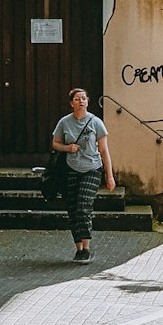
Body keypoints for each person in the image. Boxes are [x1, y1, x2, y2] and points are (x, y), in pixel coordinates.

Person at [51, 88, 116, 263]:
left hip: (92, 169)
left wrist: (109, 176)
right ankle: (78, 248)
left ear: (88, 101)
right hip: (71, 169)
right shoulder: (64, 123)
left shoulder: (96, 122)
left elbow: (104, 150)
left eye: (84, 98)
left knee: (83, 206)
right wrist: (68, 148)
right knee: (72, 209)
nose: (81, 101)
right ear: (71, 103)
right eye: (77, 99)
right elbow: (55, 143)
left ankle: (86, 247)